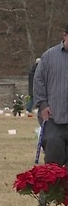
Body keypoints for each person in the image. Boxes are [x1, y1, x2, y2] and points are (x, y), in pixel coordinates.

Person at [33, 25, 68, 166]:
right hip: (54, 117)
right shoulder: (49, 57)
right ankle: (53, 188)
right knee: (54, 162)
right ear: (64, 35)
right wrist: (42, 104)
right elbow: (38, 81)